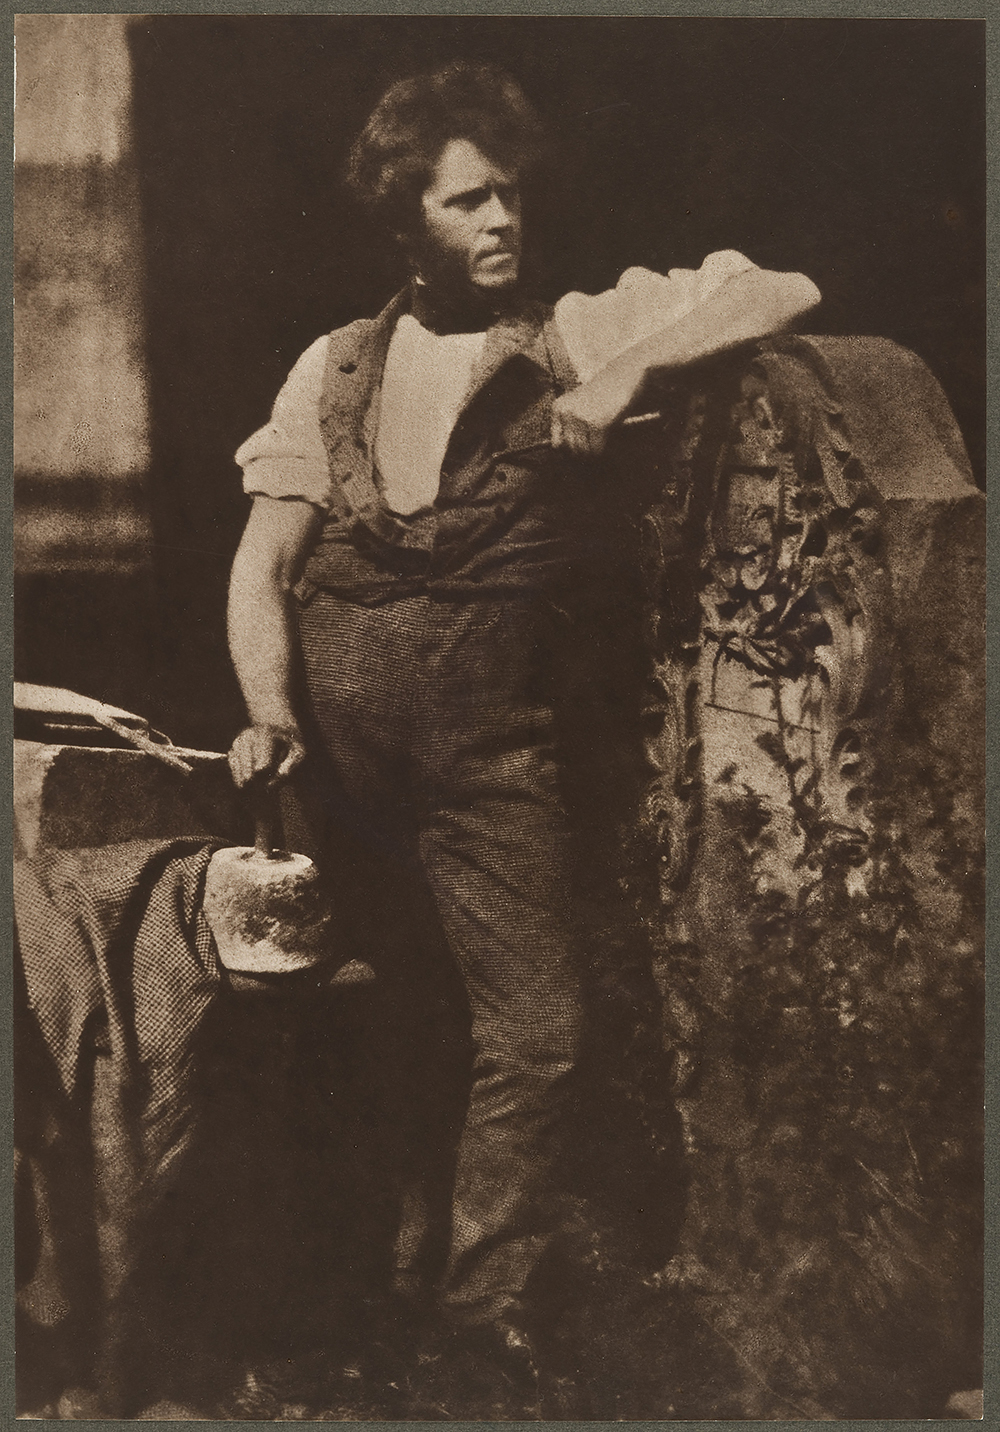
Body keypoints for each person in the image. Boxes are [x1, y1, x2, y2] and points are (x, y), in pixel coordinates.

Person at [226, 61, 819, 1401]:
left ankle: (479, 1315)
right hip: (339, 768)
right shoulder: (335, 364)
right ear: (404, 221)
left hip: (491, 763)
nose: (502, 219)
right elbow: (263, 568)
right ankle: (371, 1302)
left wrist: (628, 374)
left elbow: (778, 289)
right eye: (465, 202)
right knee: (378, 1023)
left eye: (511, 194)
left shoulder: (577, 334)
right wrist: (268, 713)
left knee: (537, 1033)